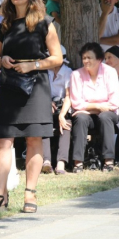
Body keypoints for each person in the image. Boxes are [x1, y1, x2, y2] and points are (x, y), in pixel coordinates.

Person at [0, 0, 62, 215]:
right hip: (10, 86)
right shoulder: (4, 25)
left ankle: (30, 193)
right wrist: (2, 60)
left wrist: (33, 65)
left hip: (36, 86)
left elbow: (57, 58)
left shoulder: (45, 22)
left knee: (33, 140)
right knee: (3, 141)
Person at [70, 42, 119, 172]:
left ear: (99, 59)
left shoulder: (110, 72)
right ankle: (78, 163)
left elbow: (114, 102)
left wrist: (89, 108)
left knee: (104, 117)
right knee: (80, 118)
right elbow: (76, 103)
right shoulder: (76, 75)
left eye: (89, 58)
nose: (86, 61)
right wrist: (98, 106)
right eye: (84, 58)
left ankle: (108, 161)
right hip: (88, 115)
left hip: (108, 114)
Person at [42, 45, 72, 175]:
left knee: (66, 124)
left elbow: (69, 96)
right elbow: (41, 91)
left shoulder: (68, 72)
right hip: (47, 105)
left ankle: (61, 162)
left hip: (64, 105)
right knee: (42, 121)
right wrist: (47, 101)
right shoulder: (44, 72)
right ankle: (46, 161)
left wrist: (62, 115)